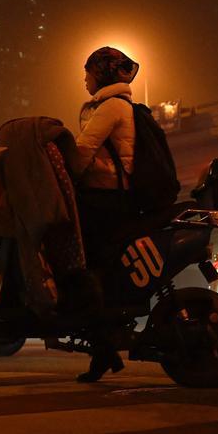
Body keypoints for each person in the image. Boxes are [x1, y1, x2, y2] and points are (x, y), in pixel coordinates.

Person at [71, 45, 140, 382]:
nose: (84, 80)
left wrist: (66, 176)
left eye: (88, 72)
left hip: (105, 199)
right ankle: (101, 345)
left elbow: (84, 148)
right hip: (108, 197)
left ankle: (103, 343)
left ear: (101, 73)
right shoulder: (113, 105)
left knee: (80, 267)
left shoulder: (111, 107)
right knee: (93, 268)